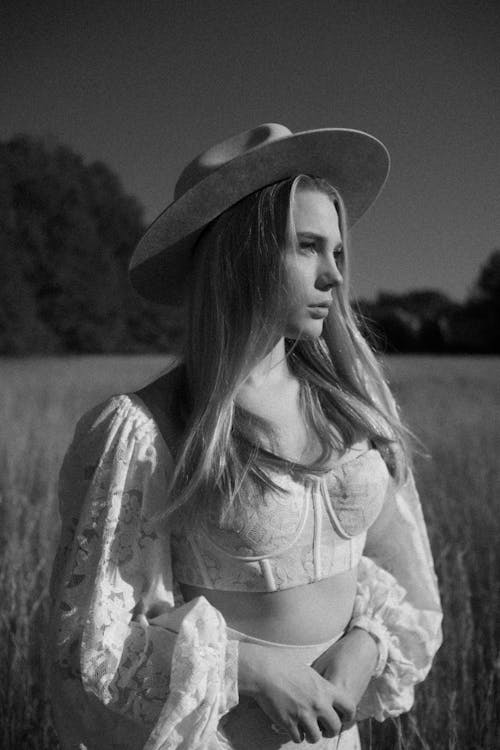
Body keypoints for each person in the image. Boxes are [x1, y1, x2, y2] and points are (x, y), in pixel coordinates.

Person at [48, 123, 443, 750]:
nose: (335, 277)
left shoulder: (355, 410)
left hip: (337, 736)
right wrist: (252, 670)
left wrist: (367, 643)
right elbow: (99, 639)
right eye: (308, 247)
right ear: (244, 252)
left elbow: (401, 570)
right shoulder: (147, 428)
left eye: (338, 252)